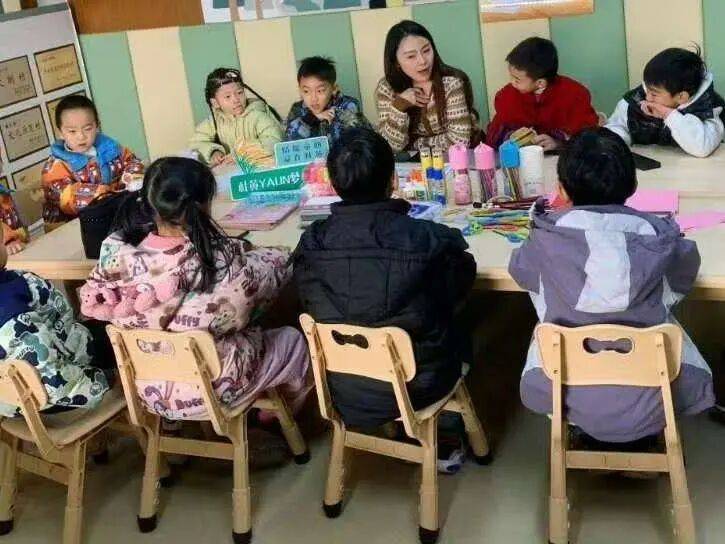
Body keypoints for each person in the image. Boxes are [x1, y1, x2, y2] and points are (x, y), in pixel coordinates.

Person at [509, 127, 714, 445]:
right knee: (668, 325)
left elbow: (521, 272)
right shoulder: (660, 238)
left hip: (562, 390)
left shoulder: (544, 239)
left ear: (561, 189)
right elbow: (682, 280)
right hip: (655, 391)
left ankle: (584, 427)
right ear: (633, 186)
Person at [293, 128, 476, 473]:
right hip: (419, 384)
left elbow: (306, 298)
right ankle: (446, 432)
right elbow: (462, 283)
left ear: (333, 184)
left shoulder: (312, 242)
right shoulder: (424, 238)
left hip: (342, 386)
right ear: (393, 180)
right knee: (459, 323)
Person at [79, 157, 309, 421]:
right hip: (212, 389)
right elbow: (251, 298)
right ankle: (279, 418)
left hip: (149, 389)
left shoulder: (115, 256)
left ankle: (175, 428)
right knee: (291, 340)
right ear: (204, 205)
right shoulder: (218, 260)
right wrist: (277, 254)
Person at [0, 237, 111, 417]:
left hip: (13, 399)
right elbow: (48, 374)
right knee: (118, 339)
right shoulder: (10, 305)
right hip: (46, 396)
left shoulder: (10, 284)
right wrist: (100, 381)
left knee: (99, 329)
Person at [375, 20, 480, 155]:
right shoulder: (387, 88)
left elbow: (459, 142)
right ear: (396, 63)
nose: (423, 61)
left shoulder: (452, 83)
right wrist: (399, 107)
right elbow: (389, 147)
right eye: (411, 56)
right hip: (414, 164)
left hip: (457, 160)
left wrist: (414, 144)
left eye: (426, 50)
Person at [41, 95, 144, 230]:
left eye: (87, 129)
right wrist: (106, 194)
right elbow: (66, 196)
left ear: (97, 126)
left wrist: (130, 180)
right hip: (74, 227)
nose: (81, 136)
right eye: (72, 131)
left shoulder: (110, 148)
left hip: (113, 214)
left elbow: (133, 162)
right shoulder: (55, 166)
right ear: (60, 132)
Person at [606, 47, 725, 158]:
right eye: (647, 89)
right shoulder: (634, 101)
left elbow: (701, 148)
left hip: (692, 172)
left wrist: (669, 115)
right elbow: (615, 128)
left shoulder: (709, 110)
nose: (647, 97)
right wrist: (616, 144)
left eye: (654, 94)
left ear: (681, 97)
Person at [485, 37, 598, 150]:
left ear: (540, 83)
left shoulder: (575, 94)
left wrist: (558, 143)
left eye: (517, 80)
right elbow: (493, 135)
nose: (512, 82)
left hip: (561, 158)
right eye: (511, 76)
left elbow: (588, 134)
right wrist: (511, 137)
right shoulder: (507, 96)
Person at [190, 68, 284, 167]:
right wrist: (212, 152)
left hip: (263, 168)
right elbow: (196, 142)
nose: (236, 99)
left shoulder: (258, 114)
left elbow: (274, 140)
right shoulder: (214, 121)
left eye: (239, 93)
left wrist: (243, 154)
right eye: (228, 97)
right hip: (231, 170)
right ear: (215, 103)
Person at [285, 56, 371, 144]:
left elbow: (359, 140)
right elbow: (290, 143)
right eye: (306, 91)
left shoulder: (347, 105)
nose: (313, 98)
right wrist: (312, 118)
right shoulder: (297, 109)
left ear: (334, 89)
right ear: (300, 90)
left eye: (320, 91)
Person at [0, 185, 27, 254]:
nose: (10, 204)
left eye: (9, 197)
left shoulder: (13, 211)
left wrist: (16, 235)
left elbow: (24, 234)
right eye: (5, 200)